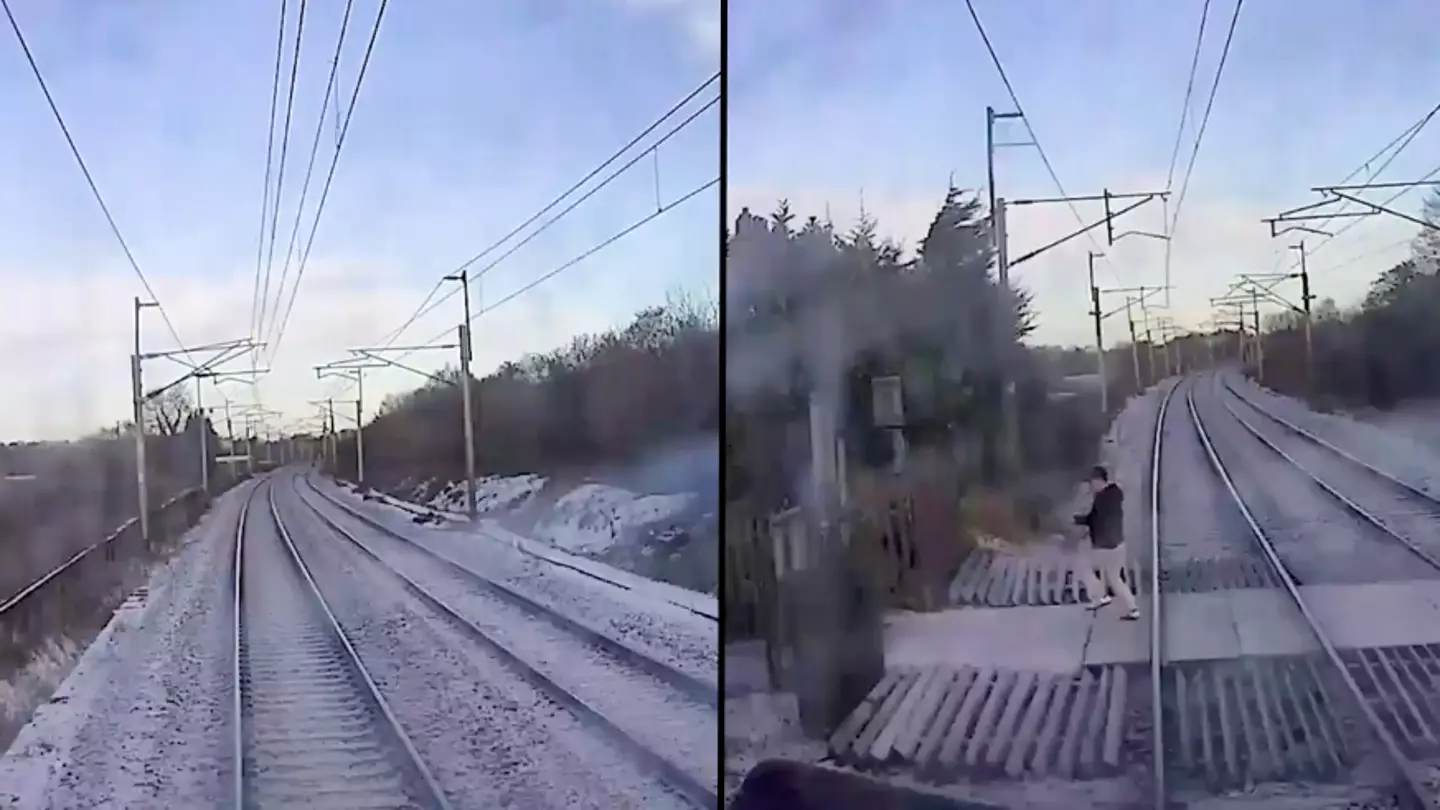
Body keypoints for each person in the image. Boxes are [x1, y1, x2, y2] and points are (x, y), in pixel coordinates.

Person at [1073, 465, 1140, 621]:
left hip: (1106, 547)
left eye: (1092, 483)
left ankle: (1099, 596)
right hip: (1118, 544)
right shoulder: (1114, 493)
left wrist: (1078, 520)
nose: (1091, 486)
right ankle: (1132, 607)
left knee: (1082, 565)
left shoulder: (1102, 498)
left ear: (1098, 481)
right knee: (1114, 578)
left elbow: (1095, 520)